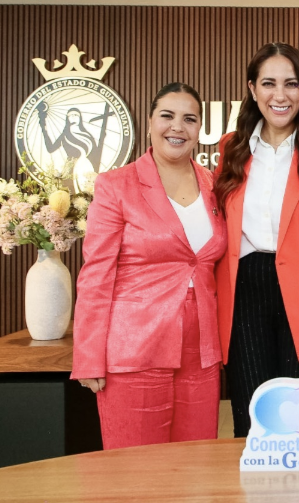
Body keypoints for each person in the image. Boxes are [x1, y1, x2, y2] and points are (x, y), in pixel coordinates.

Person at [71, 83, 227, 450]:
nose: (178, 127)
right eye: (167, 116)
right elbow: (96, 275)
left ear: (200, 128)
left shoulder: (215, 185)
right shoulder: (116, 185)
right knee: (135, 470)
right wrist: (89, 357)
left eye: (189, 119)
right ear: (150, 121)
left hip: (201, 353)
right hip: (134, 348)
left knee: (196, 466)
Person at [214, 42, 299, 438]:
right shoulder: (230, 148)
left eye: (291, 84)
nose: (280, 95)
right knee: (252, 418)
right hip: (244, 292)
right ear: (252, 89)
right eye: (269, 83)